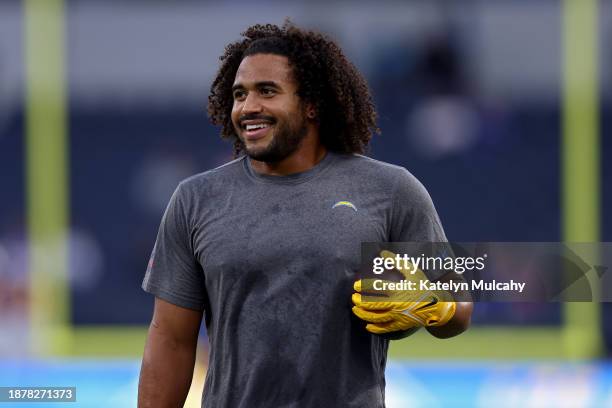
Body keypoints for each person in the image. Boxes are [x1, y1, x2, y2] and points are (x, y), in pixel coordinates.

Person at [138, 21, 473, 407]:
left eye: (267, 91)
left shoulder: (391, 191)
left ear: (312, 103)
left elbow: (458, 305)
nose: (249, 107)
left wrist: (434, 303)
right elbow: (171, 340)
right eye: (239, 94)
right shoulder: (195, 199)